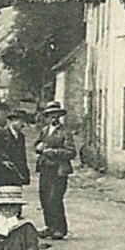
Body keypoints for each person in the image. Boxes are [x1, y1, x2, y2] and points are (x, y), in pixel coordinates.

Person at [33, 101, 77, 240]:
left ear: (59, 115)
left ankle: (60, 228)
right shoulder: (45, 130)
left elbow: (71, 152)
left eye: (56, 115)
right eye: (50, 115)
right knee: (44, 197)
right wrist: (38, 147)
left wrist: (55, 152)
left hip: (59, 169)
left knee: (55, 198)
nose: (53, 117)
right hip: (45, 168)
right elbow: (38, 144)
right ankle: (49, 227)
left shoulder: (65, 132)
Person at [0, 101, 31, 196]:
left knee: (15, 198)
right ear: (11, 121)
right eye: (19, 121)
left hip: (16, 174)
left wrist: (25, 174)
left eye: (23, 121)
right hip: (0, 173)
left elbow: (22, 156)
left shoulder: (21, 137)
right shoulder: (1, 134)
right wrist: (3, 162)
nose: (22, 124)